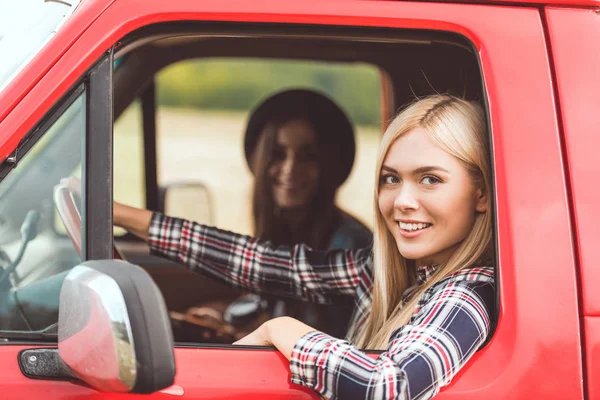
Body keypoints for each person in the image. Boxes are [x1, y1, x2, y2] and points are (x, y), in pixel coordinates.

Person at [114, 94, 495, 400]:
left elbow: (387, 387)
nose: (402, 201)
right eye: (391, 179)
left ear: (481, 193)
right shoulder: (383, 269)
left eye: (430, 179)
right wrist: (121, 215)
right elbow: (267, 265)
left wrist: (278, 329)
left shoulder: (468, 292)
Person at [237, 89, 371, 336]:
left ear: (326, 166)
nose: (290, 169)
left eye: (307, 157)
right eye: (278, 155)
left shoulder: (350, 245)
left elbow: (327, 340)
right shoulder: (283, 229)